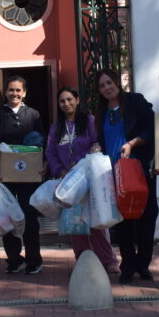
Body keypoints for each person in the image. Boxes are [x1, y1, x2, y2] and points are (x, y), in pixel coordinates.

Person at [94, 69, 158, 285]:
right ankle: (128, 266)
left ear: (117, 82)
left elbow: (151, 128)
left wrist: (132, 143)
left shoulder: (135, 101)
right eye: (102, 85)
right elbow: (103, 139)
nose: (107, 88)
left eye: (109, 83)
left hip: (138, 169)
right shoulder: (102, 112)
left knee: (146, 216)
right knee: (123, 221)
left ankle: (144, 263)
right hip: (113, 173)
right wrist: (97, 146)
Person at [46, 86, 119, 272]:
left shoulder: (89, 121)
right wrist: (60, 171)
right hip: (68, 182)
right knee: (74, 223)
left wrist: (81, 161)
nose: (66, 104)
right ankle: (83, 260)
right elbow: (50, 152)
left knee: (96, 221)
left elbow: (96, 143)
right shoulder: (56, 127)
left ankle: (108, 260)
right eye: (62, 101)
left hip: (89, 179)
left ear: (77, 100)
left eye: (70, 99)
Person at [0, 76, 45, 275]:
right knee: (7, 216)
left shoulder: (33, 114)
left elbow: (41, 142)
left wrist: (43, 164)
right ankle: (14, 259)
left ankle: (33, 259)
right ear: (5, 92)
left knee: (29, 216)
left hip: (28, 175)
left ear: (24, 93)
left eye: (18, 90)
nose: (14, 93)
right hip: (6, 174)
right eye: (11, 90)